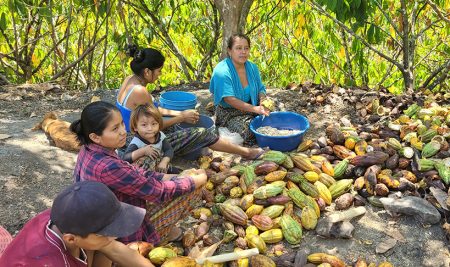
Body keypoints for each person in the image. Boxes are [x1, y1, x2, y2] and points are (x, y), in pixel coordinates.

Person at [71, 101, 207, 245]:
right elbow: (159, 192)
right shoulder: (108, 166)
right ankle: (155, 236)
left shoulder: (89, 149)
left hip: (106, 217)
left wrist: (171, 176)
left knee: (178, 180)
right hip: (118, 232)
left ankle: (165, 230)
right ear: (95, 137)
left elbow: (134, 172)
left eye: (122, 124)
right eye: (115, 128)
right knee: (190, 188)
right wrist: (194, 181)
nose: (123, 131)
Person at [116, 45, 265, 160]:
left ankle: (201, 144)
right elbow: (156, 124)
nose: (159, 75)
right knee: (201, 133)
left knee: (184, 127)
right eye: (159, 71)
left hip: (138, 133)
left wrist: (181, 113)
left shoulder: (129, 80)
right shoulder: (140, 92)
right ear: (147, 72)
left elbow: (154, 111)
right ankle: (247, 152)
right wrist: (181, 118)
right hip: (139, 143)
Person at [0, 181, 155, 267]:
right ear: (71, 239)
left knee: (103, 247)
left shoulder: (65, 214)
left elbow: (115, 250)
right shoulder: (52, 262)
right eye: (105, 233)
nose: (114, 236)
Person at [209, 33, 270, 145]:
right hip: (230, 112)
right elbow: (229, 99)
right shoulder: (222, 71)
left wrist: (262, 100)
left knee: (273, 118)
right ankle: (226, 126)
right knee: (248, 131)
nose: (243, 52)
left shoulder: (252, 68)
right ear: (229, 51)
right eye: (238, 48)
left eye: (246, 48)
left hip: (253, 106)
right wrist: (255, 109)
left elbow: (261, 88)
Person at [122, 104, 179, 174]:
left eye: (154, 124)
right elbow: (125, 158)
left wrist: (164, 161)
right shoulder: (136, 142)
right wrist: (142, 151)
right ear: (135, 127)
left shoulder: (160, 135)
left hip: (159, 164)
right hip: (145, 171)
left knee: (176, 172)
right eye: (144, 125)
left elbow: (168, 149)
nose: (150, 128)